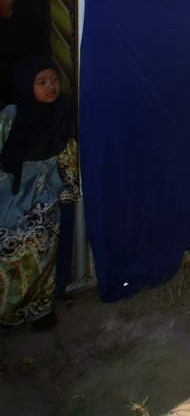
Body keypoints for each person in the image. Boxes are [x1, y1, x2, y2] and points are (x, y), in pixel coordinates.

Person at [0, 57, 79, 330]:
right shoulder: (11, 116)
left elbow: (69, 154)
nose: (51, 87)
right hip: (11, 191)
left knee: (43, 249)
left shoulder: (63, 112)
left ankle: (40, 309)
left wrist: (68, 186)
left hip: (46, 192)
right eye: (41, 82)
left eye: (55, 80)